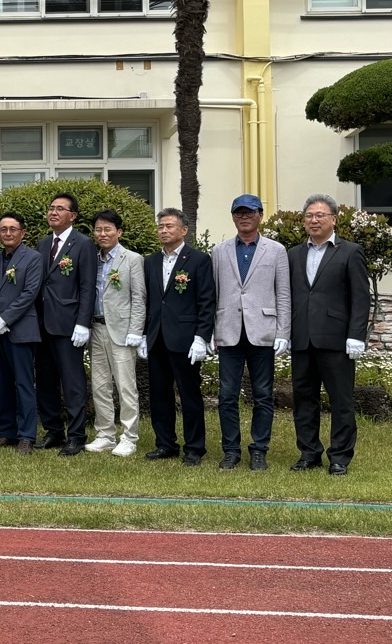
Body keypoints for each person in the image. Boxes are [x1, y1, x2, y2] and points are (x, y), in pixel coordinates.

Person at [287, 194, 370, 475]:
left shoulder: (350, 251)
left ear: (334, 219)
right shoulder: (294, 254)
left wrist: (356, 335)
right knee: (304, 399)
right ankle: (309, 453)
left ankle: (340, 457)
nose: (314, 220)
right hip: (301, 339)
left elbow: (361, 297)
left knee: (341, 400)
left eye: (320, 215)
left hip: (336, 339)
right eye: (309, 215)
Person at [210, 194, 290, 471]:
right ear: (233, 217)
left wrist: (283, 331)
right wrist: (211, 331)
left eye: (250, 212)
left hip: (263, 331)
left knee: (264, 394)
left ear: (260, 215)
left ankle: (259, 449)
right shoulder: (219, 251)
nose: (244, 217)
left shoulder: (276, 250)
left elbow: (283, 294)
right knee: (227, 395)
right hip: (228, 331)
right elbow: (214, 293)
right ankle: (231, 450)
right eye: (239, 213)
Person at [141, 208, 216, 466]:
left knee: (189, 395)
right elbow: (149, 301)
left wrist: (201, 337)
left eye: (169, 226)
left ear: (183, 230)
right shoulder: (150, 262)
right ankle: (165, 444)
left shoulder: (198, 260)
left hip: (185, 338)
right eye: (161, 226)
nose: (163, 230)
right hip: (157, 337)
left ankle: (195, 447)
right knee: (159, 394)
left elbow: (207, 301)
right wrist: (143, 334)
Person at [34, 191, 97, 455]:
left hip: (69, 324)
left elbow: (87, 286)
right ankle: (53, 431)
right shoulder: (41, 244)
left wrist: (83, 322)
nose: (53, 212)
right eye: (51, 207)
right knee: (46, 380)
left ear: (73, 216)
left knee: (72, 382)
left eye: (60, 208)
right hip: (41, 325)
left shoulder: (83, 244)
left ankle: (77, 435)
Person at [86, 209, 147, 457]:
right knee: (100, 385)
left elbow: (139, 298)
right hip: (96, 328)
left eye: (107, 229)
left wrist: (136, 330)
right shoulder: (92, 258)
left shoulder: (132, 259)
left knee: (125, 385)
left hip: (122, 331)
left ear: (119, 232)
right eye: (98, 229)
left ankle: (129, 436)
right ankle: (105, 434)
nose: (103, 233)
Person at [0, 212, 42, 455]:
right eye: (3, 229)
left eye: (13, 229)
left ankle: (27, 435)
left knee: (23, 384)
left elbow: (30, 293)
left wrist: (5, 319)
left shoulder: (33, 258)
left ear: (22, 232)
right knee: (2, 383)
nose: (8, 233)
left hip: (20, 330)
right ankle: (7, 431)